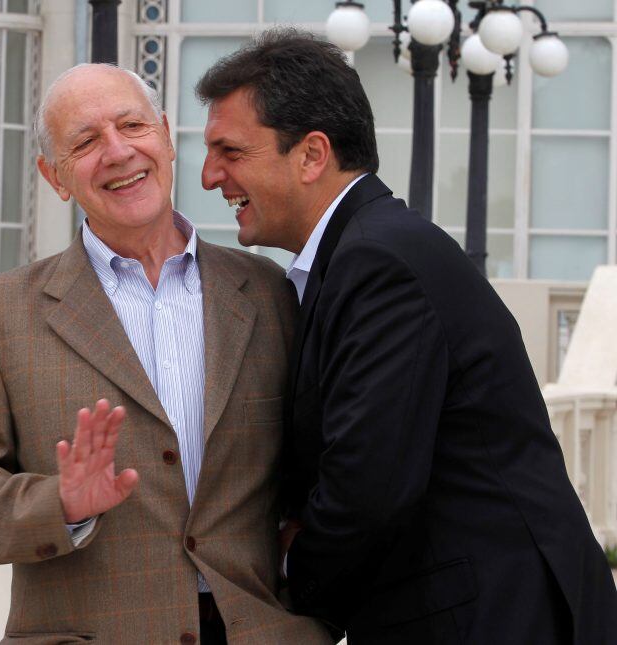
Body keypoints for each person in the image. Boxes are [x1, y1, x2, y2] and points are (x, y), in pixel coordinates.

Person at [197, 29, 617, 645]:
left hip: (491, 619)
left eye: (230, 151)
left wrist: (283, 571)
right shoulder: (365, 250)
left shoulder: (378, 263)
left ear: (312, 155)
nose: (210, 176)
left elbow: (369, 488)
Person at [0, 63, 333, 645]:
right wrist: (61, 502)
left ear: (166, 136)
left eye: (132, 125)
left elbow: (325, 462)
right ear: (55, 177)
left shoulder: (271, 293)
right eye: (84, 142)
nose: (118, 151)